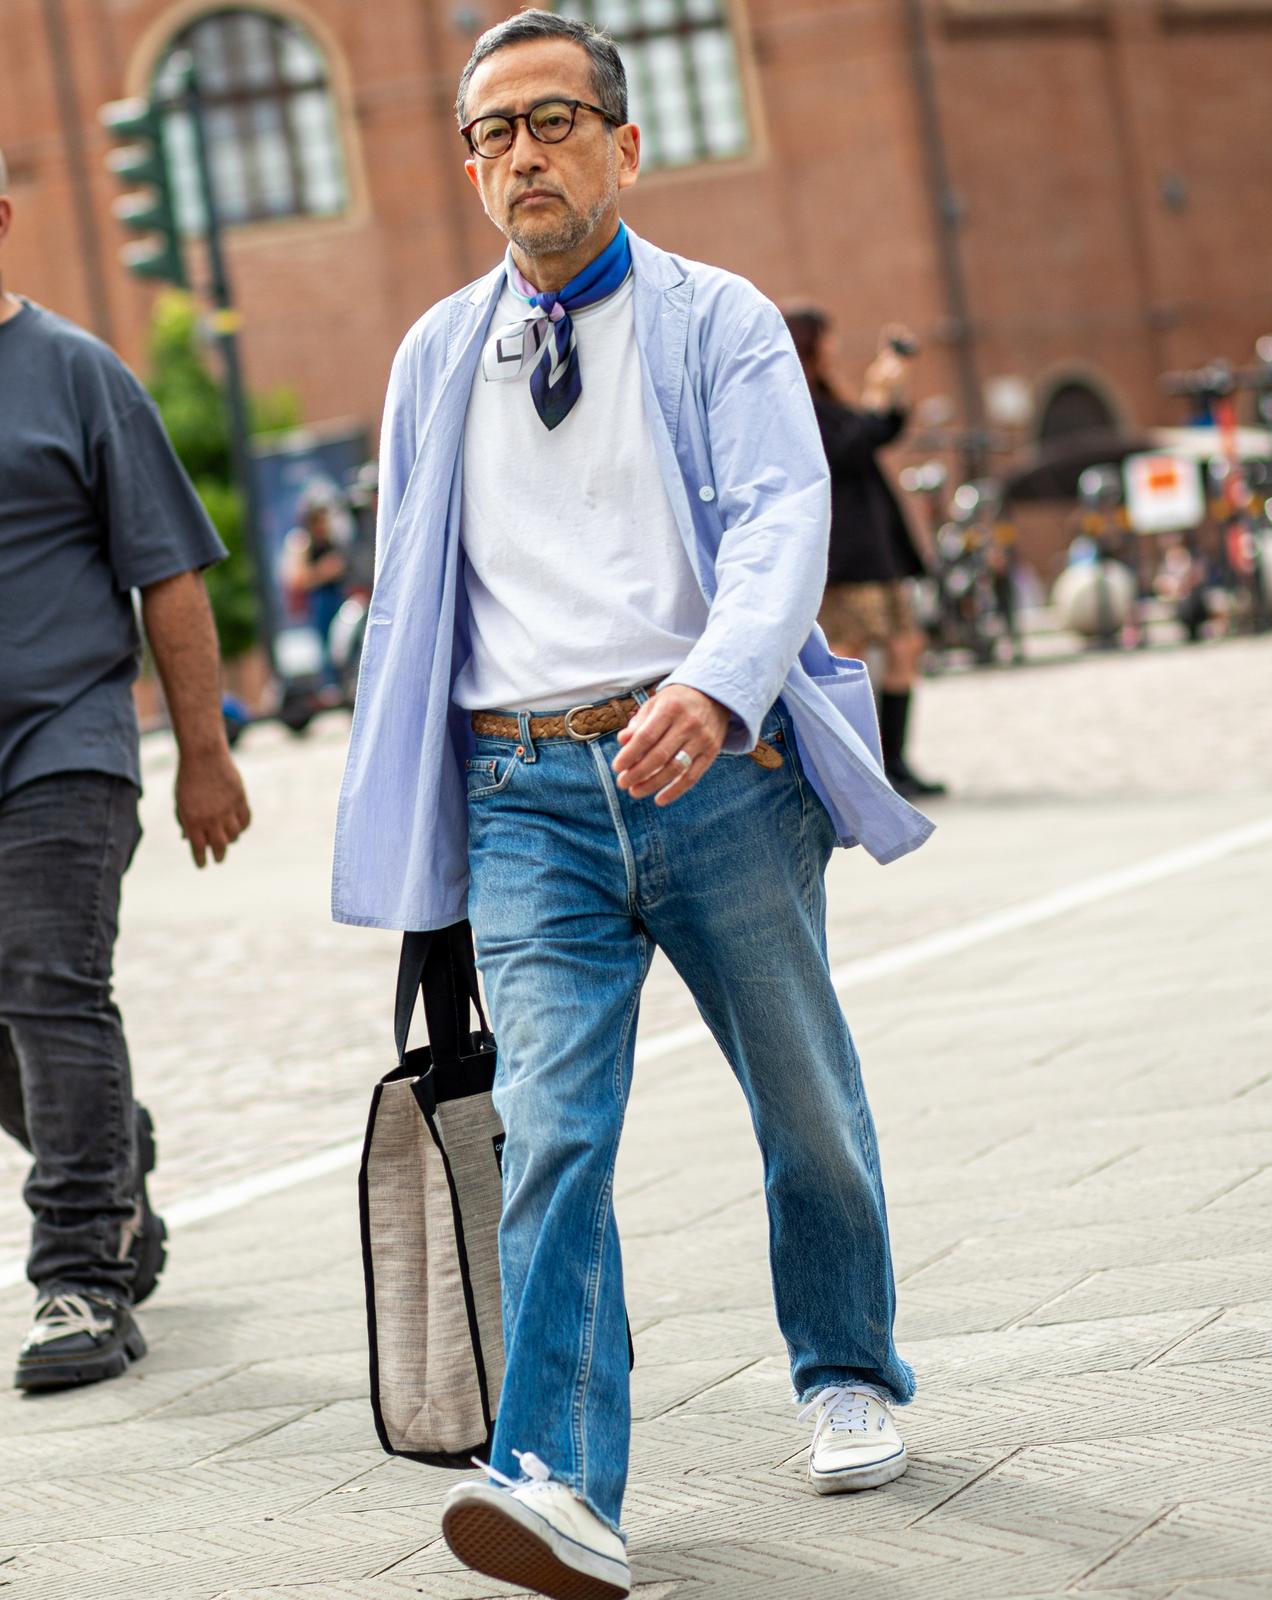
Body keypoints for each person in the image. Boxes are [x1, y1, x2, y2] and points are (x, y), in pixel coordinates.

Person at [332, 15, 932, 1598]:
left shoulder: (717, 322)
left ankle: (847, 1364)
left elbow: (783, 519)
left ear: (622, 143)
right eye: (489, 135)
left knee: (802, 1096)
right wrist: (423, 821)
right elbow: (412, 592)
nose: (518, 156)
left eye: (549, 122)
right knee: (553, 1130)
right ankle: (559, 1483)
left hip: (715, 774)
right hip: (525, 786)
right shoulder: (433, 356)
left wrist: (721, 685)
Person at [0, 149, 251, 1391]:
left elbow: (168, 570)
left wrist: (204, 754)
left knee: (47, 980)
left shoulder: (76, 374)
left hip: (64, 743)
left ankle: (81, 1278)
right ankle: (111, 1154)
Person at [783, 308, 946, 800]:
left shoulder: (828, 395)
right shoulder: (796, 399)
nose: (834, 346)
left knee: (904, 646)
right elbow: (845, 451)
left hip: (877, 545)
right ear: (810, 344)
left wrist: (890, 391)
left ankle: (893, 760)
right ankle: (856, 767)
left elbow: (877, 434)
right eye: (827, 339)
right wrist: (875, 399)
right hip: (848, 551)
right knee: (847, 654)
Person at [281, 493, 349, 686]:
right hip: (319, 600)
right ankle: (330, 684)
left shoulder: (330, 537)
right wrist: (324, 571)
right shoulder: (301, 541)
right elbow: (297, 580)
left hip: (337, 596)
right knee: (325, 647)